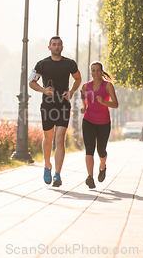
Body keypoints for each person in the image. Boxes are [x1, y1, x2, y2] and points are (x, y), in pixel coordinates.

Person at [29, 36, 81, 187]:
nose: (56, 47)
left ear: (62, 47)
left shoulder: (69, 64)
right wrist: (43, 90)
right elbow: (31, 82)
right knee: (48, 138)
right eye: (54, 44)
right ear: (49, 47)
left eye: (58, 45)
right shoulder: (42, 64)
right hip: (48, 105)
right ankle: (47, 166)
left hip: (63, 105)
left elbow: (78, 79)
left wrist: (71, 91)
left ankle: (57, 174)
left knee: (60, 139)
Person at [80, 61, 119, 189]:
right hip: (88, 121)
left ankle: (102, 167)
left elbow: (115, 104)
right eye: (93, 70)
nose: (95, 73)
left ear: (102, 72)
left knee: (101, 150)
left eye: (97, 70)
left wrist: (103, 102)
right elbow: (83, 95)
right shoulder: (86, 86)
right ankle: (90, 177)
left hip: (103, 122)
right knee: (89, 149)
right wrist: (83, 107)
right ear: (90, 72)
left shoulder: (108, 86)